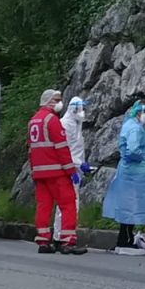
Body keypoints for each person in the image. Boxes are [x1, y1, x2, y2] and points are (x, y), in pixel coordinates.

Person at [27, 89, 86, 254]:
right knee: (68, 205)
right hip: (56, 172)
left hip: (40, 173)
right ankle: (68, 242)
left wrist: (34, 171)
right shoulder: (52, 120)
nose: (59, 103)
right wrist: (70, 171)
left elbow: (31, 150)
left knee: (43, 206)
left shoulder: (33, 121)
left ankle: (43, 241)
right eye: (57, 100)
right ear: (48, 101)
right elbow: (61, 148)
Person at [102, 101, 145, 250]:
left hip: (130, 173)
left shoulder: (132, 125)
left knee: (127, 206)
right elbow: (132, 150)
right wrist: (142, 159)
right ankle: (126, 240)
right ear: (139, 112)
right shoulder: (136, 129)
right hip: (134, 173)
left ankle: (124, 238)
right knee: (131, 206)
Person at [53, 96, 91, 242]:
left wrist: (82, 165)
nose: (84, 112)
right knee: (66, 205)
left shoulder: (76, 124)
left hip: (74, 170)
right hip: (67, 170)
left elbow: (77, 149)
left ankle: (65, 235)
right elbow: (64, 151)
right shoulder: (65, 125)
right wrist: (76, 165)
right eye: (82, 108)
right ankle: (61, 236)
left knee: (71, 205)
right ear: (75, 108)